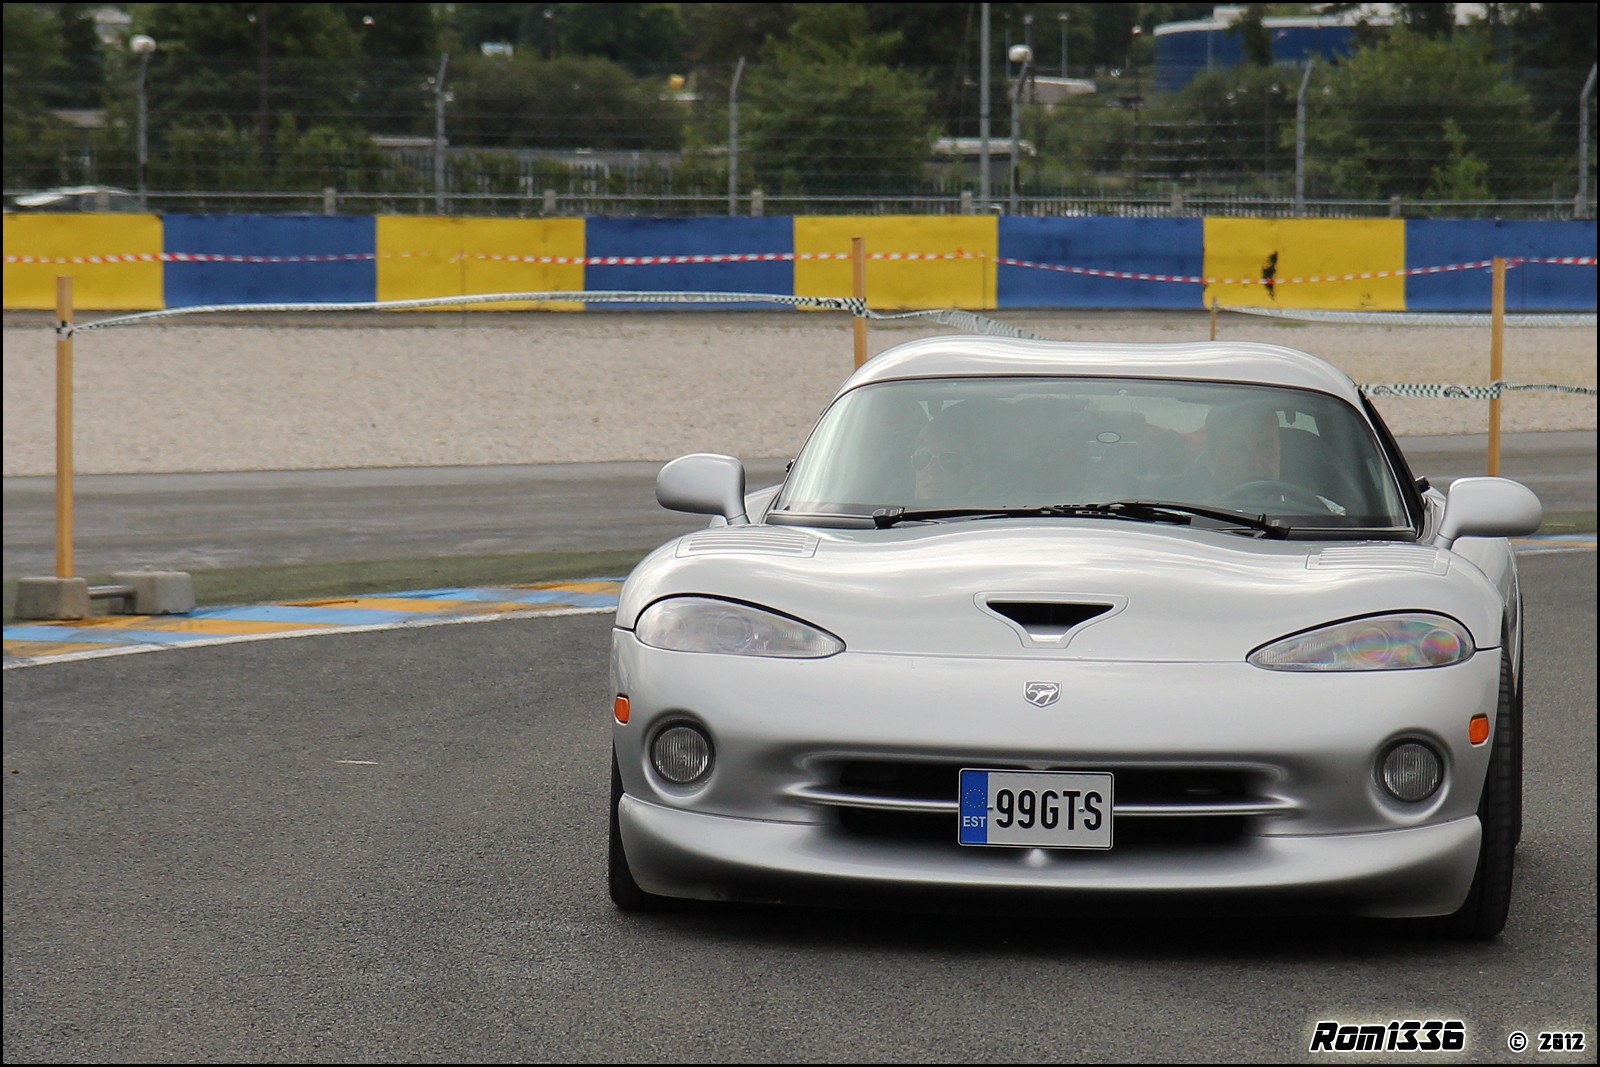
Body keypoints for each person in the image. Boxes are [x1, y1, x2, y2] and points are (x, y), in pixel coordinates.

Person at [909, 399, 1001, 502]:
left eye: (950, 461)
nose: (932, 470)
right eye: (922, 459)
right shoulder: (889, 510)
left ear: (978, 473)